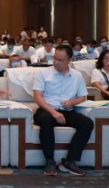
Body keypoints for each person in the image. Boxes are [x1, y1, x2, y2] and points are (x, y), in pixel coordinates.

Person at [33, 44, 94, 177]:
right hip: (47, 111)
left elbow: (83, 96)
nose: (56, 62)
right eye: (55, 58)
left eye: (60, 60)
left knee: (87, 123)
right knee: (47, 120)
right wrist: (54, 113)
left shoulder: (77, 75)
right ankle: (50, 161)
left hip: (67, 111)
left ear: (69, 60)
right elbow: (37, 97)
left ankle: (69, 161)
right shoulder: (43, 73)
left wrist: (72, 102)